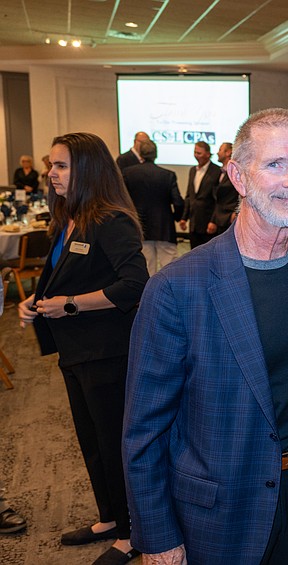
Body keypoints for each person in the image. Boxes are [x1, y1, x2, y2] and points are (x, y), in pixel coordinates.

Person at [123, 108, 288, 565]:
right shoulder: (177, 287)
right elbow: (144, 429)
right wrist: (157, 537)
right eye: (275, 164)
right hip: (215, 510)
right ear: (238, 176)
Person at [18, 132, 148, 565]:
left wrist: (71, 304)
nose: (51, 174)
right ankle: (109, 517)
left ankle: (131, 534)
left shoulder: (111, 220)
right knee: (91, 440)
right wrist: (35, 300)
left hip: (107, 352)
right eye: (50, 165)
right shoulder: (68, 218)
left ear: (87, 170)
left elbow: (135, 284)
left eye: (61, 166)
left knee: (113, 443)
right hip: (75, 351)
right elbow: (63, 277)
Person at [122, 140, 184, 274]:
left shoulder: (128, 173)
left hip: (141, 227)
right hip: (164, 227)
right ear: (155, 154)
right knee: (170, 268)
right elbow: (178, 202)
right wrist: (176, 217)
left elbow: (123, 200)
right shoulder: (168, 175)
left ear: (140, 154)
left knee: (147, 268)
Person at [179, 141, 221, 248]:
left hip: (208, 223)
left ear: (207, 154)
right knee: (194, 252)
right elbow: (189, 196)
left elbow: (218, 200)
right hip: (194, 223)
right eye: (195, 152)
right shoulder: (192, 170)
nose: (196, 156)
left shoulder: (217, 171)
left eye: (199, 153)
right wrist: (184, 218)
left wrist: (213, 221)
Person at [209, 142, 239, 235]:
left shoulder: (236, 172)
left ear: (228, 152)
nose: (217, 153)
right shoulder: (218, 172)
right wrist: (213, 220)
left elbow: (240, 194)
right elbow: (217, 200)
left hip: (230, 219)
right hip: (219, 220)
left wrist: (236, 213)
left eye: (220, 150)